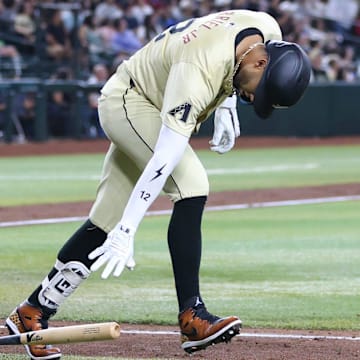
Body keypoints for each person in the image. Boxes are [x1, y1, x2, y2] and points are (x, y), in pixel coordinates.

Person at [5, 9, 311, 359]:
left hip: (149, 93)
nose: (257, 99)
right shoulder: (199, 68)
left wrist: (227, 104)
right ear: (259, 64)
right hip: (132, 103)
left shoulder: (266, 29)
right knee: (191, 184)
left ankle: (31, 312)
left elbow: (232, 48)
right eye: (264, 91)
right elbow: (164, 158)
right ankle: (192, 317)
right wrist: (129, 229)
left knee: (104, 220)